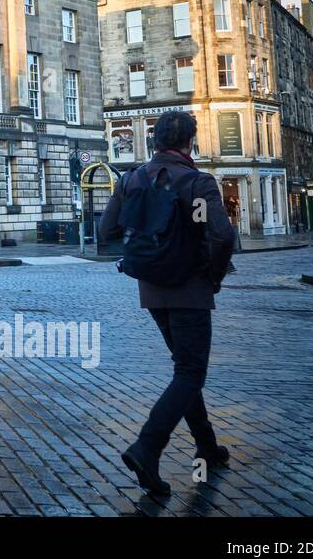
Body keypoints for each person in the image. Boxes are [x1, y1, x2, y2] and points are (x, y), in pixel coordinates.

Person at [99, 111, 235, 498]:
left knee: (184, 371)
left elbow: (106, 230)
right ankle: (147, 447)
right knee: (190, 372)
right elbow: (222, 236)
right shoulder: (197, 182)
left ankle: (206, 445)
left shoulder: (132, 179)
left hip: (152, 288)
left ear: (154, 141)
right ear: (189, 142)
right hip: (191, 287)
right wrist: (215, 274)